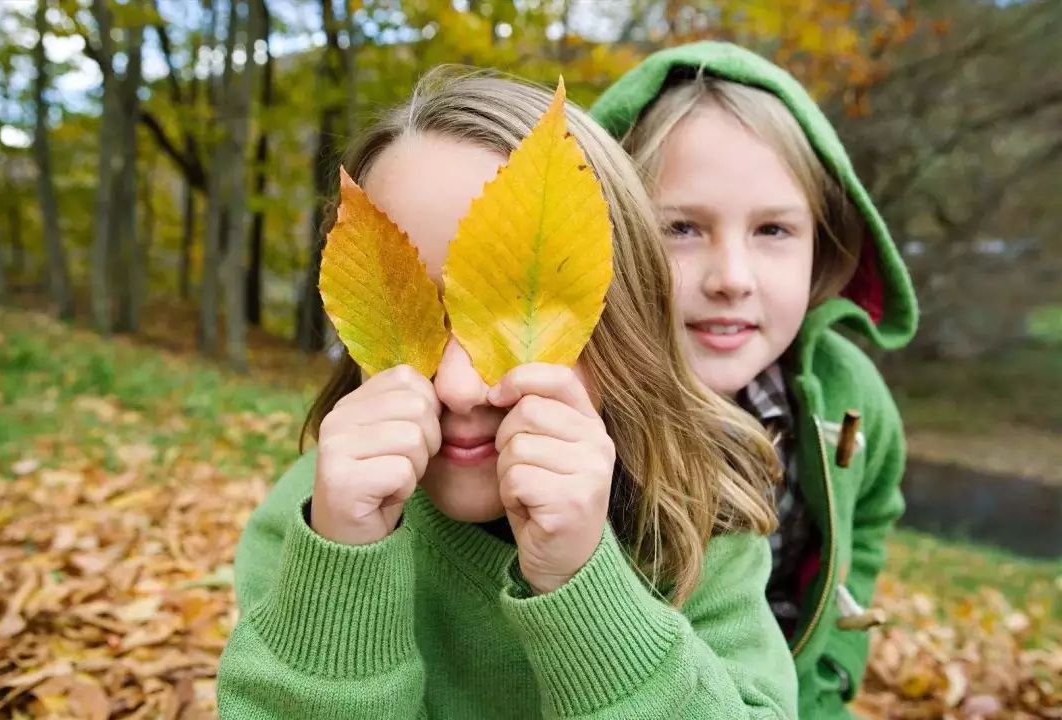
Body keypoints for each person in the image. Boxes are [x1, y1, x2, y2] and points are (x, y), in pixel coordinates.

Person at [216, 68, 798, 719]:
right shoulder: (311, 524)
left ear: (627, 326)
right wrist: (342, 575)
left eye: (514, 319)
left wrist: (584, 590)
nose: (462, 388)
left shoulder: (699, 524)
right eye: (419, 317)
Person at [590, 42, 919, 719]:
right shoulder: (573, 402)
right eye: (681, 228)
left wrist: (825, 687)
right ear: (606, 233)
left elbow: (866, 531)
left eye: (773, 230)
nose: (731, 277)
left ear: (824, 247)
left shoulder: (851, 397)